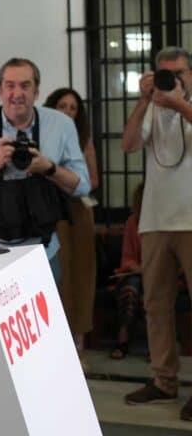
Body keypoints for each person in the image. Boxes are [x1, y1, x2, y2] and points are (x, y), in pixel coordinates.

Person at [0, 58, 90, 281]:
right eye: (10, 85)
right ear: (0, 90)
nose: (17, 93)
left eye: (25, 85)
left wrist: (49, 168)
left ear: (37, 91)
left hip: (42, 250)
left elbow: (83, 186)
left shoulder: (61, 125)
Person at [121, 47, 192, 420]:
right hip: (154, 220)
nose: (172, 79)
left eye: (179, 72)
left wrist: (178, 103)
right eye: (165, 73)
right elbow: (129, 144)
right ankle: (164, 380)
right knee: (156, 305)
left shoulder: (184, 105)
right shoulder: (151, 106)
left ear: (190, 74)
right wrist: (143, 101)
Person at [44, 87, 99, 366]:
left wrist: (68, 173)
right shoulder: (41, 135)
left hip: (77, 210)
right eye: (62, 106)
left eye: (73, 108)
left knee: (80, 274)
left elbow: (93, 181)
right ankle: (55, 346)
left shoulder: (82, 138)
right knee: (56, 274)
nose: (67, 111)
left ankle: (78, 346)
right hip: (49, 210)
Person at [110, 182, 145, 360]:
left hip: (160, 274)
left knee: (153, 287)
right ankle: (122, 338)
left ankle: (157, 345)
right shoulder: (132, 222)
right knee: (131, 286)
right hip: (135, 273)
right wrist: (138, 268)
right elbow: (128, 257)